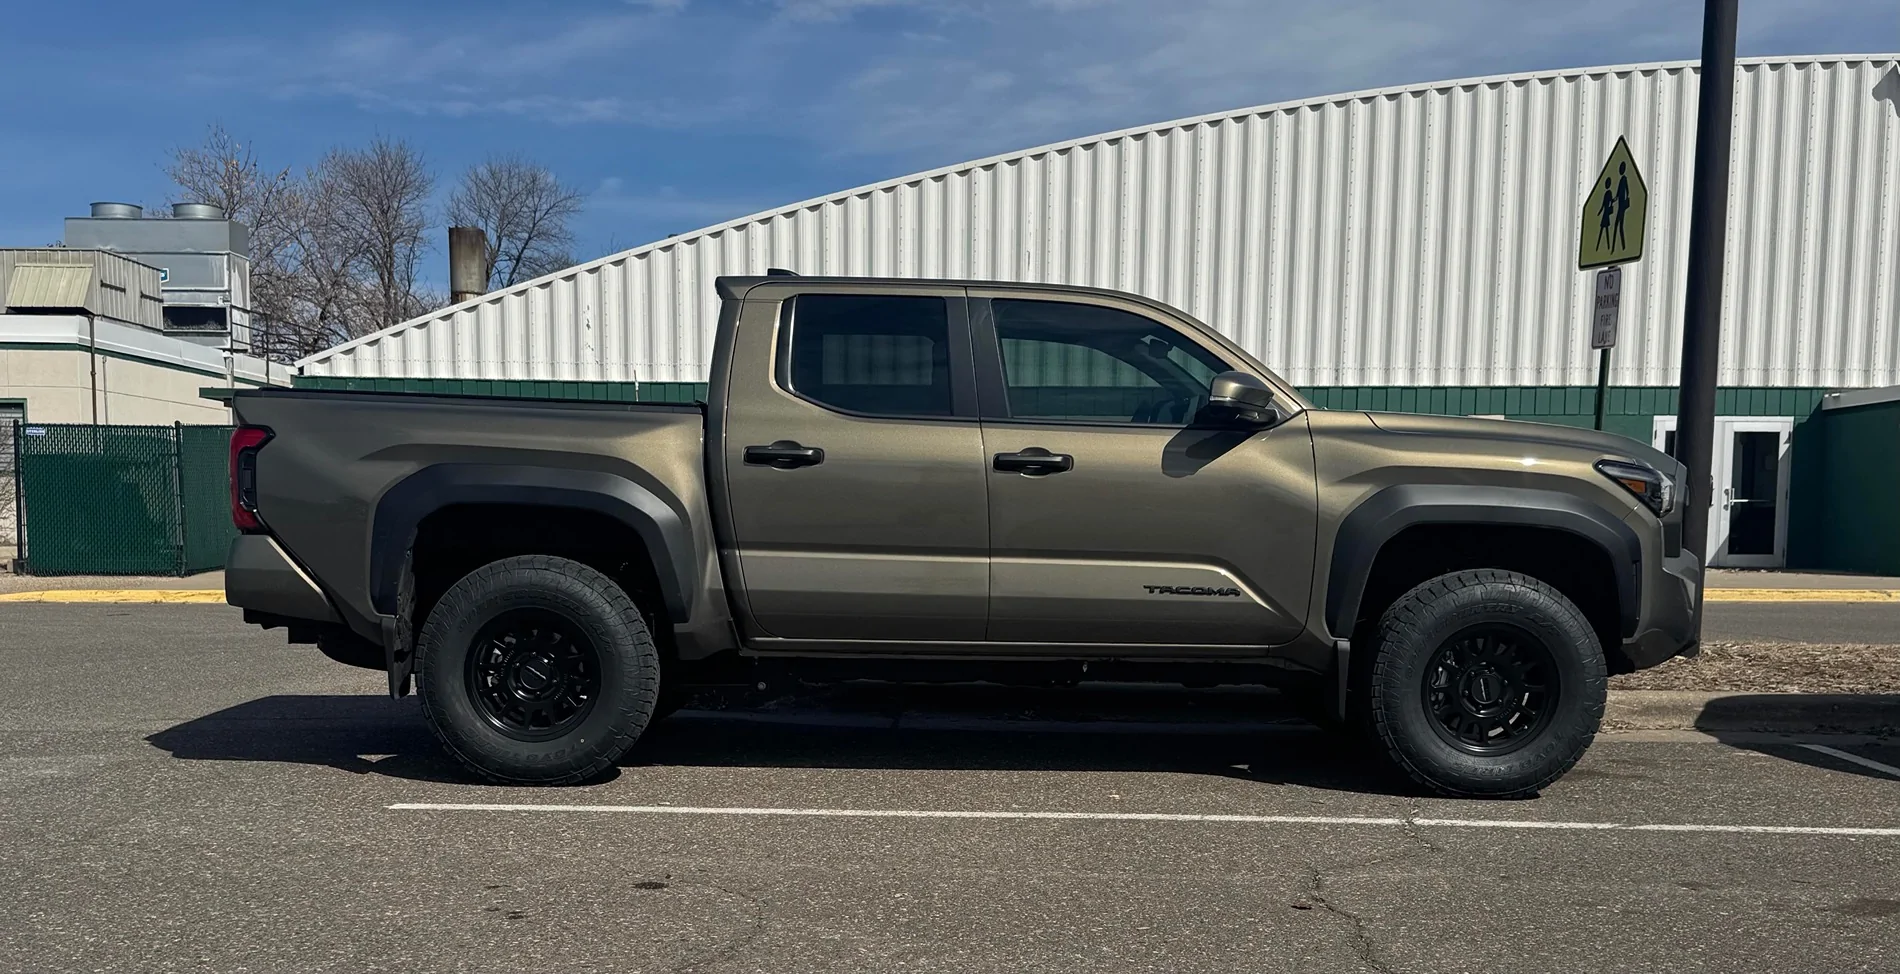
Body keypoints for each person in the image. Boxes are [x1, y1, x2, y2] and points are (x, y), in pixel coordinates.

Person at [1614, 161, 1632, 251]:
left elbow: (1627, 190)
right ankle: (1619, 247)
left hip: (1622, 207)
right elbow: (1618, 194)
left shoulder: (1624, 179)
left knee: (1618, 226)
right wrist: (1614, 200)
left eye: (1621, 168)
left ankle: (1622, 247)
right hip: (1620, 206)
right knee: (1618, 226)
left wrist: (1626, 199)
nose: (1620, 170)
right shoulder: (1621, 180)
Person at [1596, 178, 1615, 250]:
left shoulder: (1609, 193)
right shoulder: (1607, 193)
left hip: (1606, 213)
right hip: (1605, 213)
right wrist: (1599, 212)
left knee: (1605, 230)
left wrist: (1614, 200)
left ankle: (1607, 246)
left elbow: (1610, 202)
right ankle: (1602, 246)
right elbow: (1603, 204)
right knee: (1603, 230)